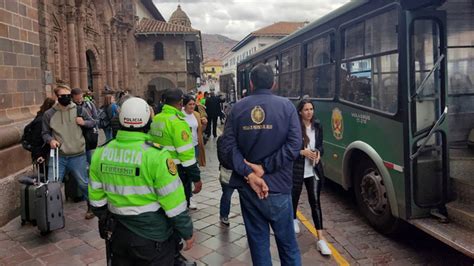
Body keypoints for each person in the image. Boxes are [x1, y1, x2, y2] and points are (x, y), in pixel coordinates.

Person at [88, 97, 195, 265]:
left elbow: (96, 201)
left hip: (118, 235)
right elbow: (174, 204)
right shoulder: (157, 156)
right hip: (153, 236)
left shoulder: (101, 153)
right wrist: (187, 232)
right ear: (147, 121)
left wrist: (114, 219)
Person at [218, 63, 302, 265]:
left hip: (250, 188)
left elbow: (228, 147)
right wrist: (266, 167)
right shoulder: (287, 107)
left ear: (251, 83)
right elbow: (294, 145)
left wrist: (250, 173)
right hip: (280, 187)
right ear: (274, 83)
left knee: (258, 245)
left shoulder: (238, 108)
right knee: (288, 246)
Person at [42, 84, 94, 219]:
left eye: (68, 95)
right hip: (59, 156)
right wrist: (50, 140)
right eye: (62, 96)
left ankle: (91, 206)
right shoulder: (49, 114)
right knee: (52, 185)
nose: (66, 98)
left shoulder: (79, 110)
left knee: (83, 183)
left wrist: (84, 123)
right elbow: (45, 133)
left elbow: (94, 122)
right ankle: (52, 214)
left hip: (78, 155)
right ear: (57, 96)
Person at [148, 88, 203, 207]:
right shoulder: (178, 123)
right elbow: (187, 156)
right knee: (180, 204)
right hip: (177, 171)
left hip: (159, 167)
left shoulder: (157, 118)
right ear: (180, 103)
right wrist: (196, 178)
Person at [292, 99, 332, 256]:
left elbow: (321, 145)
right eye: (306, 109)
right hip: (297, 170)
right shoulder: (294, 127)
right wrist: (302, 152)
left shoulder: (318, 126)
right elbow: (289, 148)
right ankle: (293, 218)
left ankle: (321, 239)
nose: (309, 112)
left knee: (315, 202)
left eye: (311, 109)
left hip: (313, 170)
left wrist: (318, 153)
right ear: (300, 111)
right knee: (293, 198)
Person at [182, 94, 207, 210]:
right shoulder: (180, 116)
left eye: (193, 104)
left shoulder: (196, 115)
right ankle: (185, 195)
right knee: (185, 172)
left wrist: (204, 124)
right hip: (184, 147)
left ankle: (190, 197)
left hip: (195, 146)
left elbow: (200, 130)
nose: (192, 107)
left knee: (193, 170)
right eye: (190, 104)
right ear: (184, 105)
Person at [26, 97, 55, 170]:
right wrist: (38, 155)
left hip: (47, 153)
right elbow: (36, 140)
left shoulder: (47, 118)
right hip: (43, 155)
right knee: (46, 176)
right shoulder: (41, 120)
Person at [71, 88, 99, 164]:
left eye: (81, 98)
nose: (79, 101)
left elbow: (96, 121)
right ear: (72, 98)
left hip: (89, 136)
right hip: (76, 138)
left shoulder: (90, 105)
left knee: (90, 158)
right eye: (76, 99)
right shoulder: (70, 108)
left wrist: (84, 123)